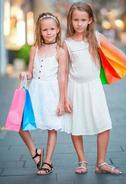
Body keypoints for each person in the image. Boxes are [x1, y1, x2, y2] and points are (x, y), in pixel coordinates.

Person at [62, 2, 126, 175]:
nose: (79, 23)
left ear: (90, 20)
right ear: (70, 20)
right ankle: (82, 160)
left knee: (104, 123)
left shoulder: (96, 37)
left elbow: (115, 51)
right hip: (75, 89)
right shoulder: (67, 43)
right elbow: (63, 71)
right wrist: (63, 97)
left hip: (94, 88)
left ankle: (100, 162)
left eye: (83, 19)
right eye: (75, 19)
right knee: (75, 125)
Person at [19, 12, 66, 175]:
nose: (48, 32)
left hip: (52, 92)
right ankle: (35, 151)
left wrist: (62, 101)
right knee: (20, 123)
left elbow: (62, 77)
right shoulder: (35, 49)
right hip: (35, 92)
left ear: (58, 29)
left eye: (52, 29)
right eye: (45, 29)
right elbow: (31, 72)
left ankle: (48, 162)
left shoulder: (61, 50)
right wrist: (26, 74)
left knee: (52, 127)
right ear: (39, 31)